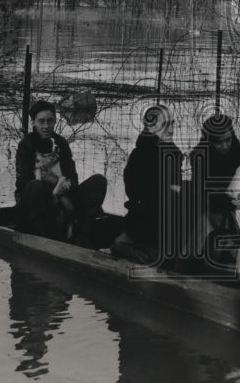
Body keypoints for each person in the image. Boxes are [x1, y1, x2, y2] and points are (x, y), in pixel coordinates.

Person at [185, 113, 240, 281]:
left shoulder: (238, 153)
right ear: (209, 141)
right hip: (211, 209)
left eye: (228, 140)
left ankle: (239, 276)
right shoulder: (199, 157)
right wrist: (233, 202)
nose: (225, 146)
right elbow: (202, 193)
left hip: (233, 208)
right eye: (219, 142)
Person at [15, 100, 108, 245]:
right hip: (36, 200)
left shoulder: (61, 143)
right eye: (41, 121)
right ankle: (43, 237)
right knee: (35, 186)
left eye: (50, 121)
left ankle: (81, 233)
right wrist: (51, 183)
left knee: (99, 181)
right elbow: (22, 183)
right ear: (33, 123)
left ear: (55, 121)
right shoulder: (26, 145)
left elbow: (73, 178)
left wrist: (65, 186)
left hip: (63, 195)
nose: (46, 126)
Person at [113, 104, 184, 266]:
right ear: (150, 127)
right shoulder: (141, 155)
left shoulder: (171, 152)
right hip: (146, 221)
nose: (172, 129)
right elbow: (141, 194)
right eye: (166, 124)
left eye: (173, 123)